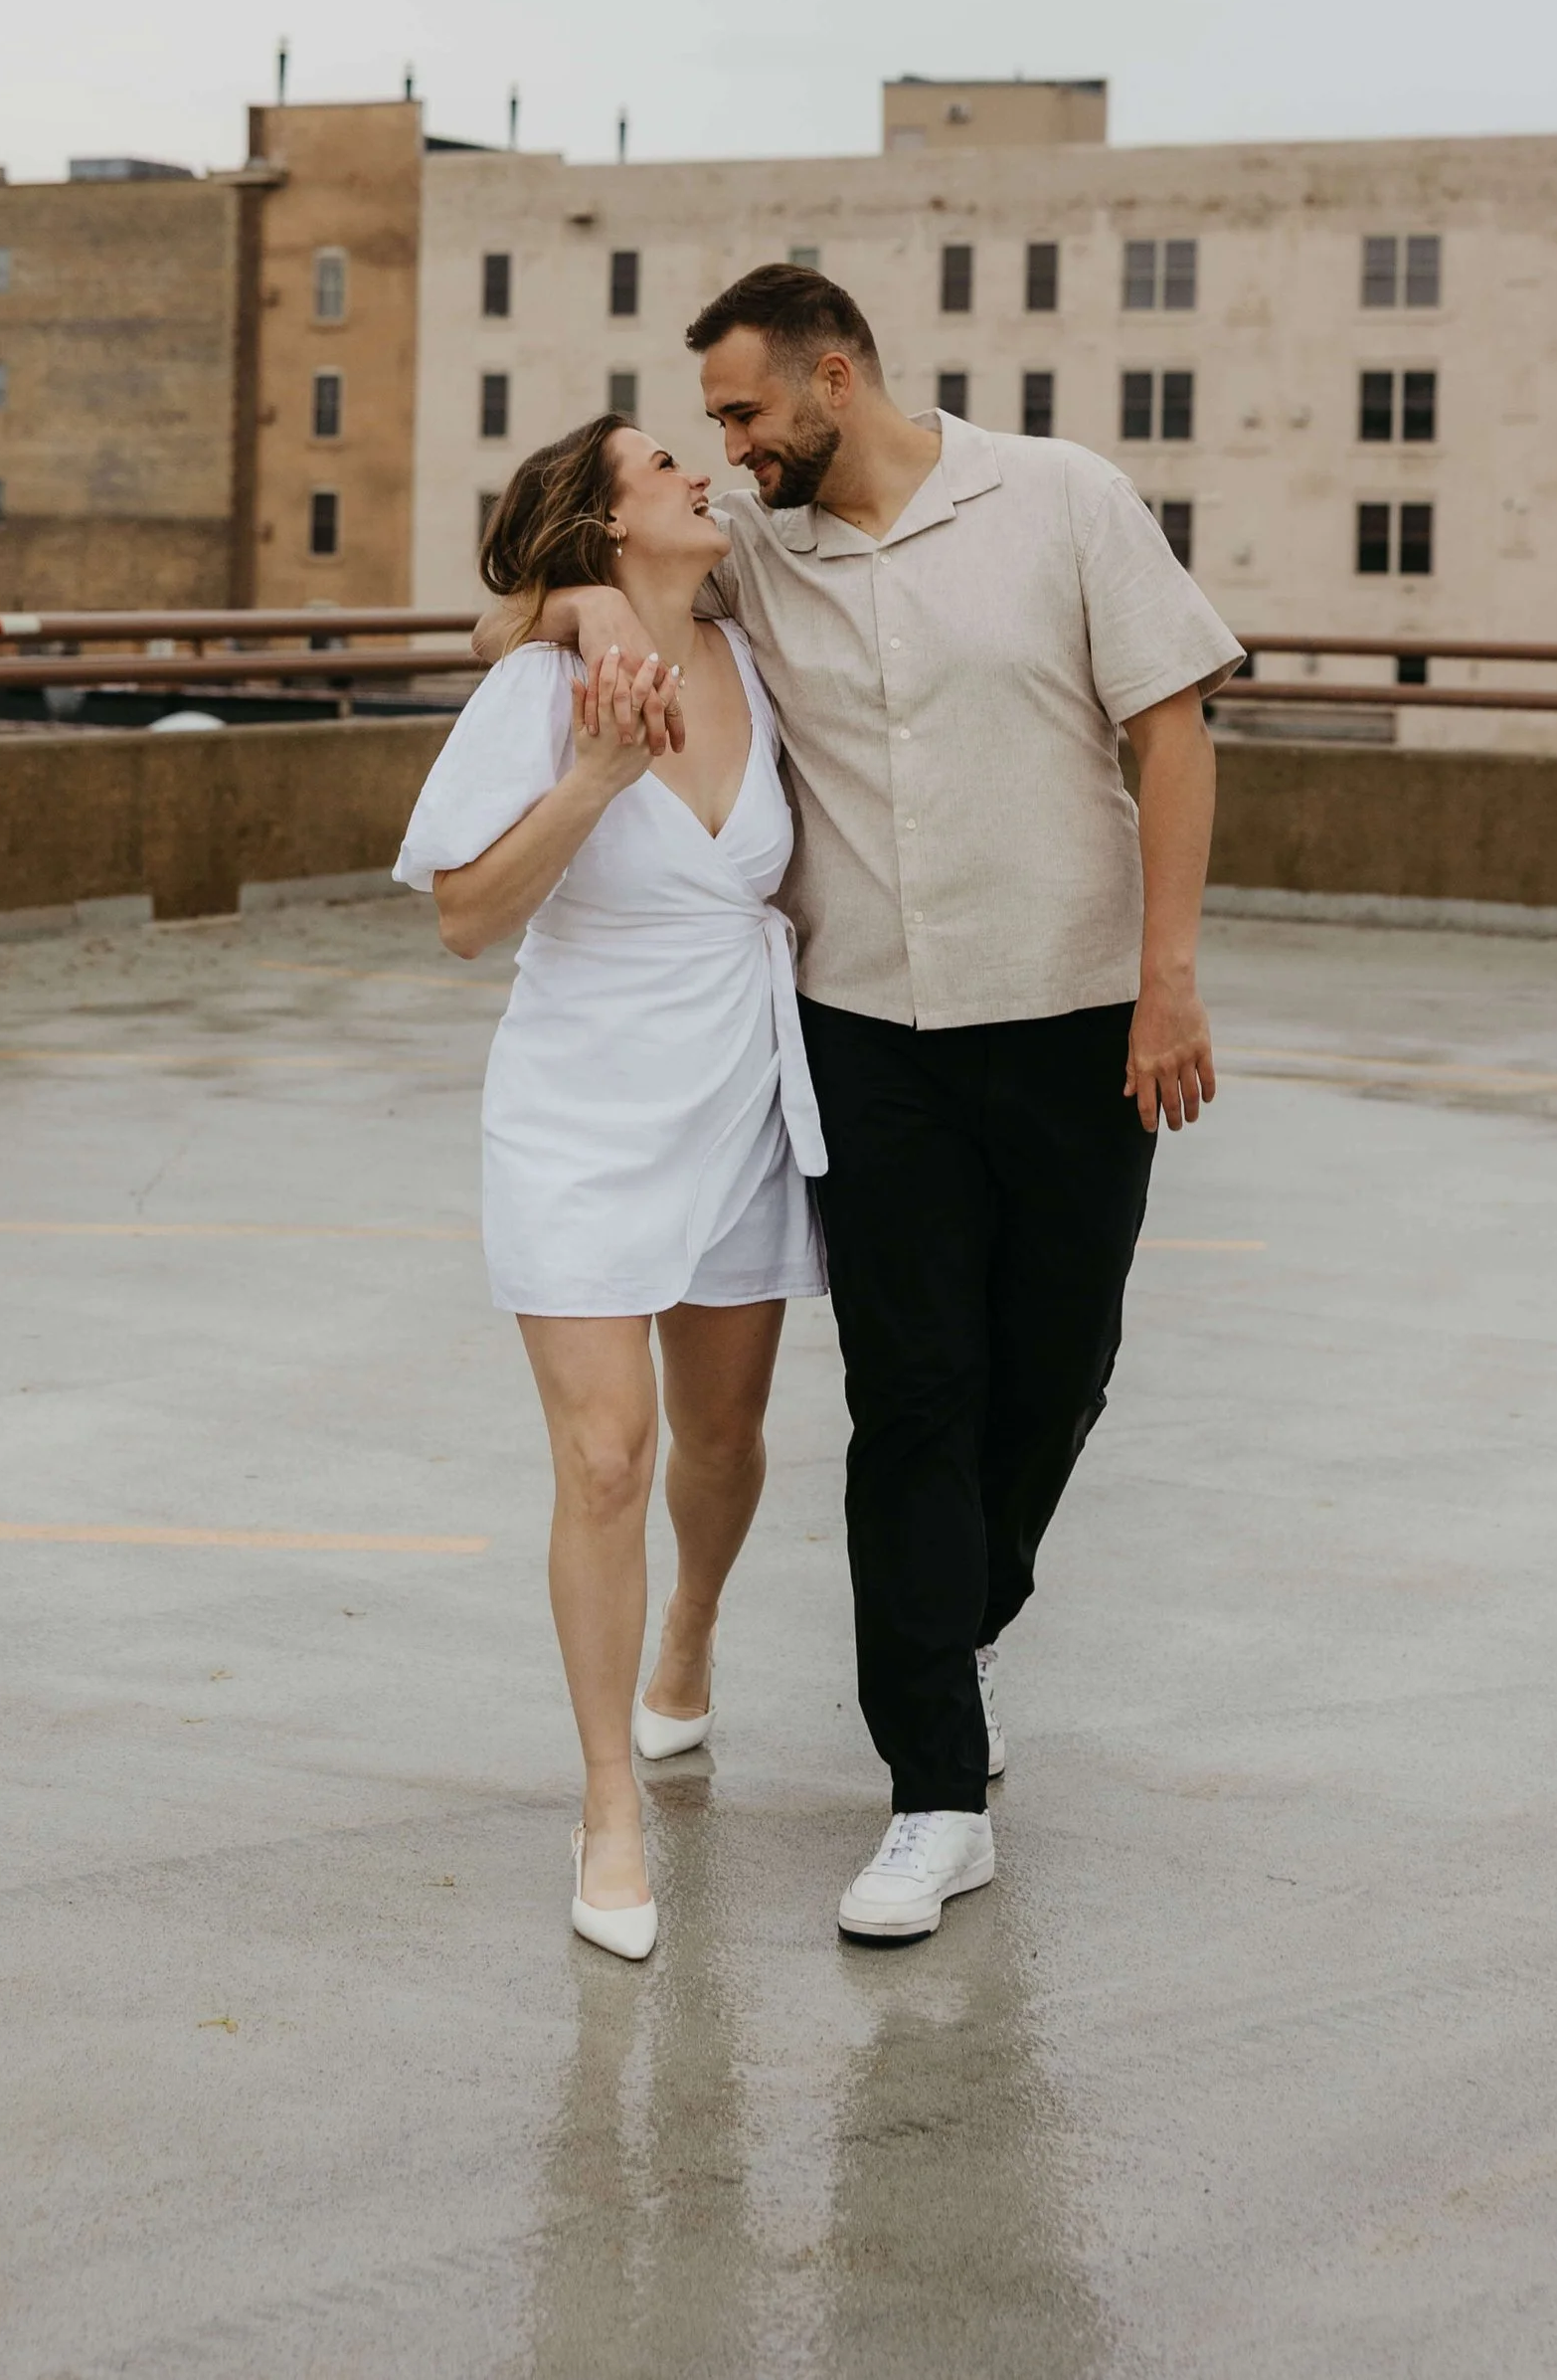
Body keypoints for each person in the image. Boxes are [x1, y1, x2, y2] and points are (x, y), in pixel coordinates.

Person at [491, 265, 1242, 1944]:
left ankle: (952, 1619)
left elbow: (1173, 726)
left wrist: (1168, 972)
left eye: (749, 412)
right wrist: (591, 616)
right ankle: (934, 1792)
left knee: (1055, 1375)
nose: (733, 447)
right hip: (866, 1040)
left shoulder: (1061, 499)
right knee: (913, 1392)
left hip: (1074, 1022)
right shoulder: (752, 543)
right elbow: (519, 602)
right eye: (716, 428)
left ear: (838, 375)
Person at [395, 413, 827, 1963]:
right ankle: (606, 1808)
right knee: (604, 1456)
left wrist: (579, 601)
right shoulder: (538, 687)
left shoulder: (752, 649)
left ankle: (691, 1625)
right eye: (657, 464)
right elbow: (460, 916)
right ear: (604, 520)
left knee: (722, 1437)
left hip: (738, 1091)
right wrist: (591, 770)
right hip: (579, 1106)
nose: (693, 473)